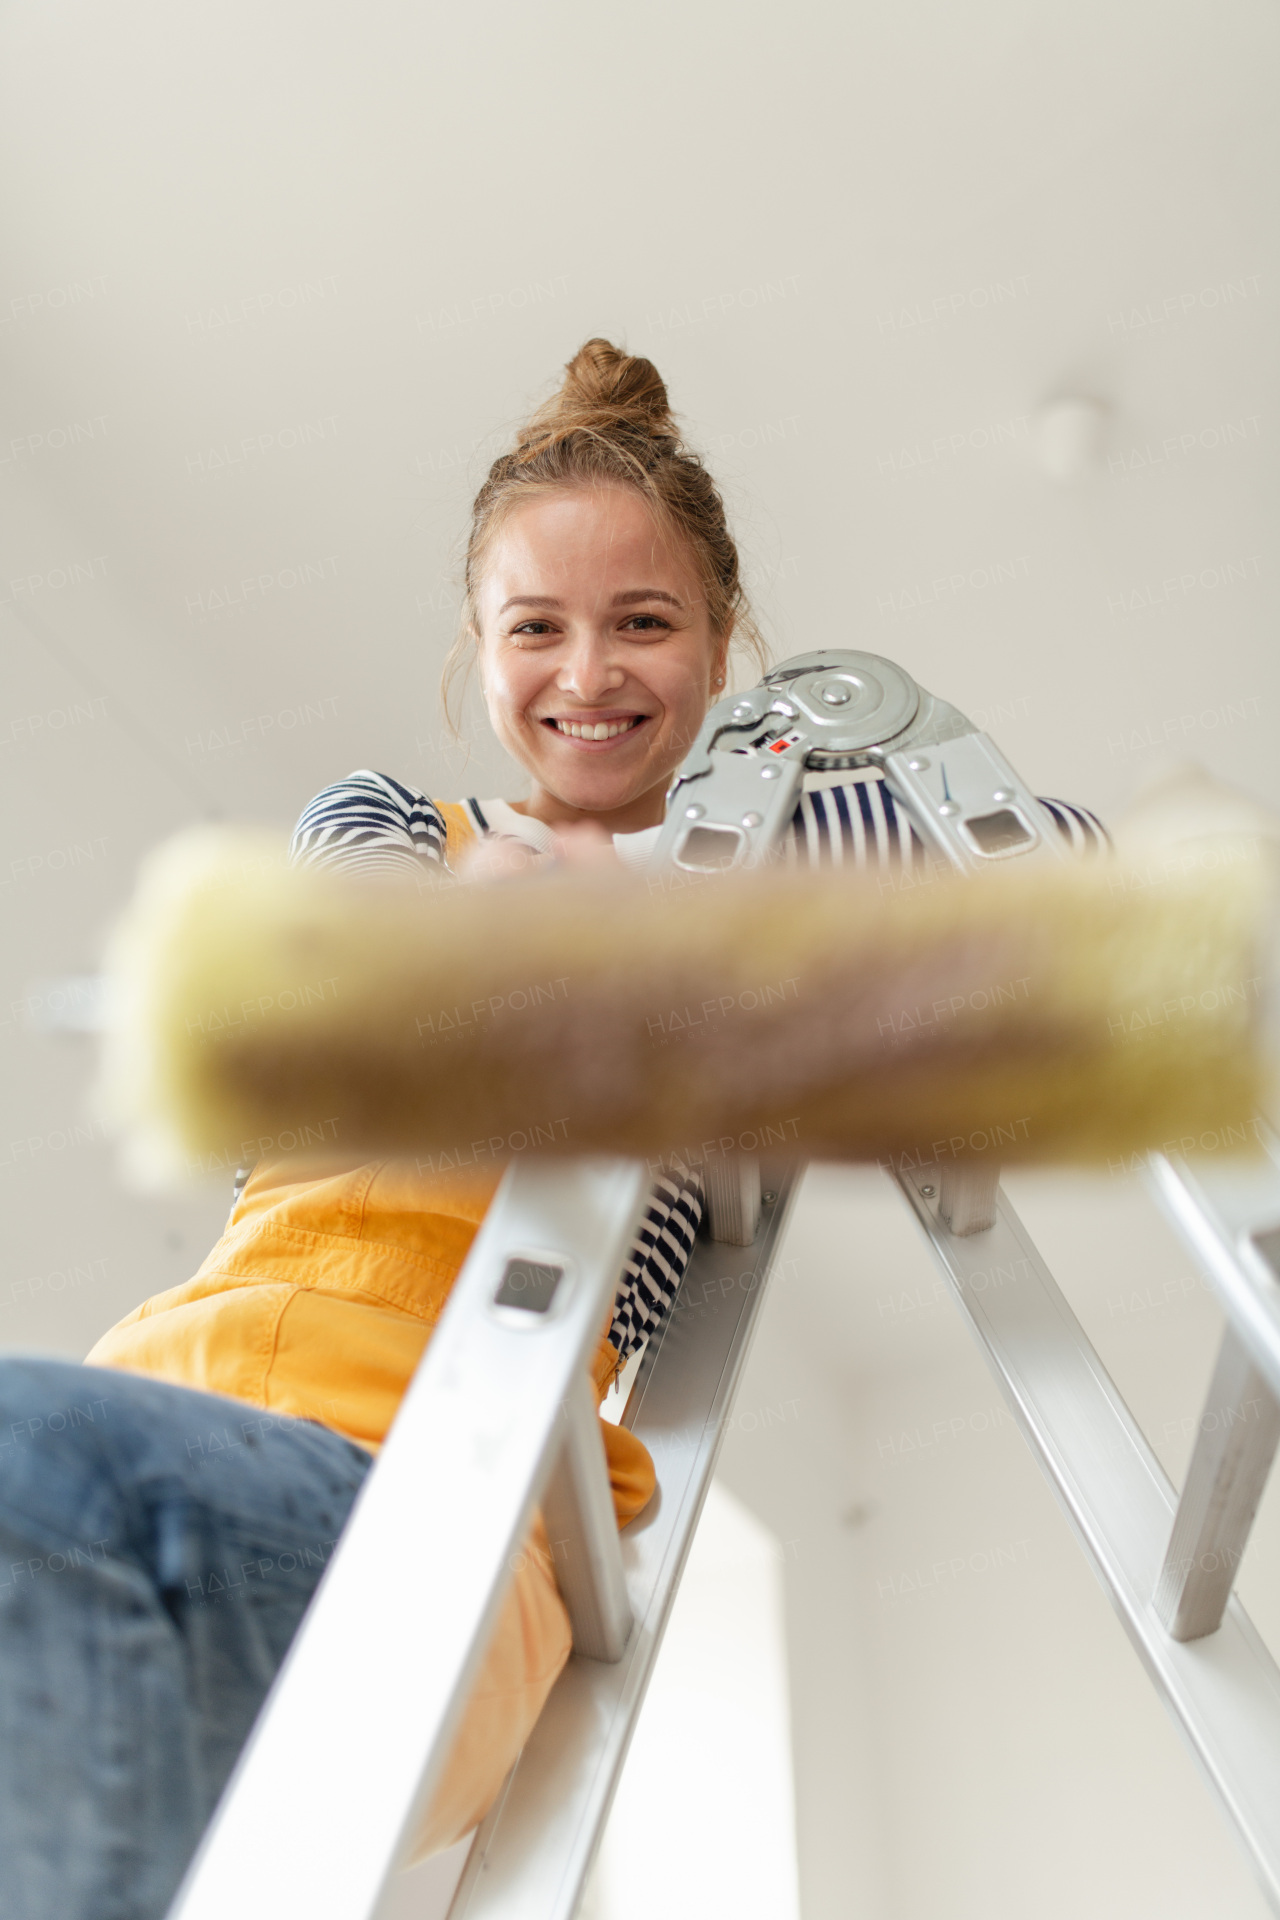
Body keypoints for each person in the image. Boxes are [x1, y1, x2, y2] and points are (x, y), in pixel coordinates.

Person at [0, 339, 1105, 1920]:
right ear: (480, 648)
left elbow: (1056, 874)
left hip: (433, 1499)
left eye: (643, 624)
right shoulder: (390, 824)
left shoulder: (745, 912)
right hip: (160, 1406)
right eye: (539, 629)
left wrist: (703, 892)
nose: (587, 675)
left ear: (723, 651)